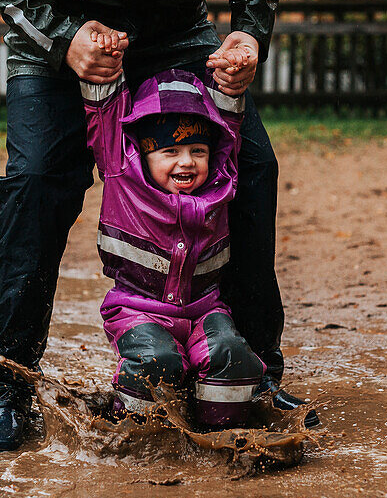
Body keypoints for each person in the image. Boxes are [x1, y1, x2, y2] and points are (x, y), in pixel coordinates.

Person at [0, 0, 304, 452]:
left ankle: (251, 368)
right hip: (57, 31)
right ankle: (4, 380)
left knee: (252, 167)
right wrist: (63, 36)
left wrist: (250, 30)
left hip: (176, 28)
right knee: (36, 180)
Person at [84, 49, 265, 427]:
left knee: (233, 355)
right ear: (144, 154)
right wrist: (104, 61)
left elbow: (228, 126)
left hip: (204, 309)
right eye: (170, 151)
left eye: (197, 150)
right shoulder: (122, 171)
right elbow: (103, 116)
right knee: (157, 361)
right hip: (137, 309)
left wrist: (230, 81)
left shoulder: (220, 179)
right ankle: (134, 431)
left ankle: (219, 432)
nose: (186, 162)